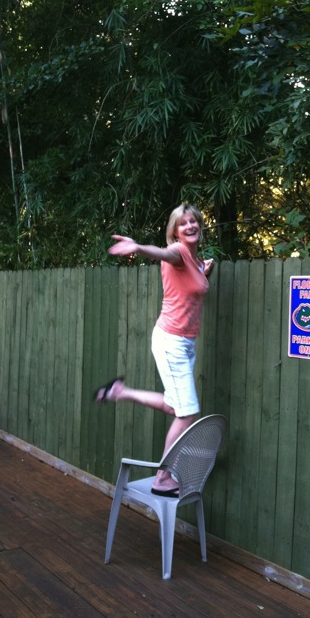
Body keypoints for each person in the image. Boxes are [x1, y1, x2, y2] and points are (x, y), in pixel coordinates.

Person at [94, 203, 214, 497]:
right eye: (182, 223)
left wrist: (204, 269)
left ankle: (121, 392)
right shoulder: (178, 253)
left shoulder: (196, 261)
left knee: (176, 407)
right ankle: (163, 476)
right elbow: (163, 253)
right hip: (171, 340)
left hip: (184, 343)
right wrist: (138, 247)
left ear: (200, 225)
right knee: (187, 414)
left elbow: (193, 280)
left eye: (193, 221)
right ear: (175, 231)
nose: (190, 226)